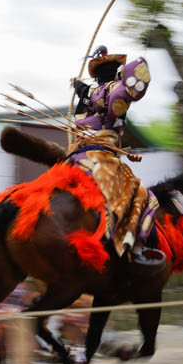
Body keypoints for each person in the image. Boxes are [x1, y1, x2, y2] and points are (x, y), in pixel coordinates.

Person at [68, 45, 163, 270]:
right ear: (117, 72)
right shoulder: (113, 90)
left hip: (74, 157)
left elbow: (82, 120)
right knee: (146, 197)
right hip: (100, 158)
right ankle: (135, 247)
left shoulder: (88, 96)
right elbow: (117, 105)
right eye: (119, 70)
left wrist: (82, 92)